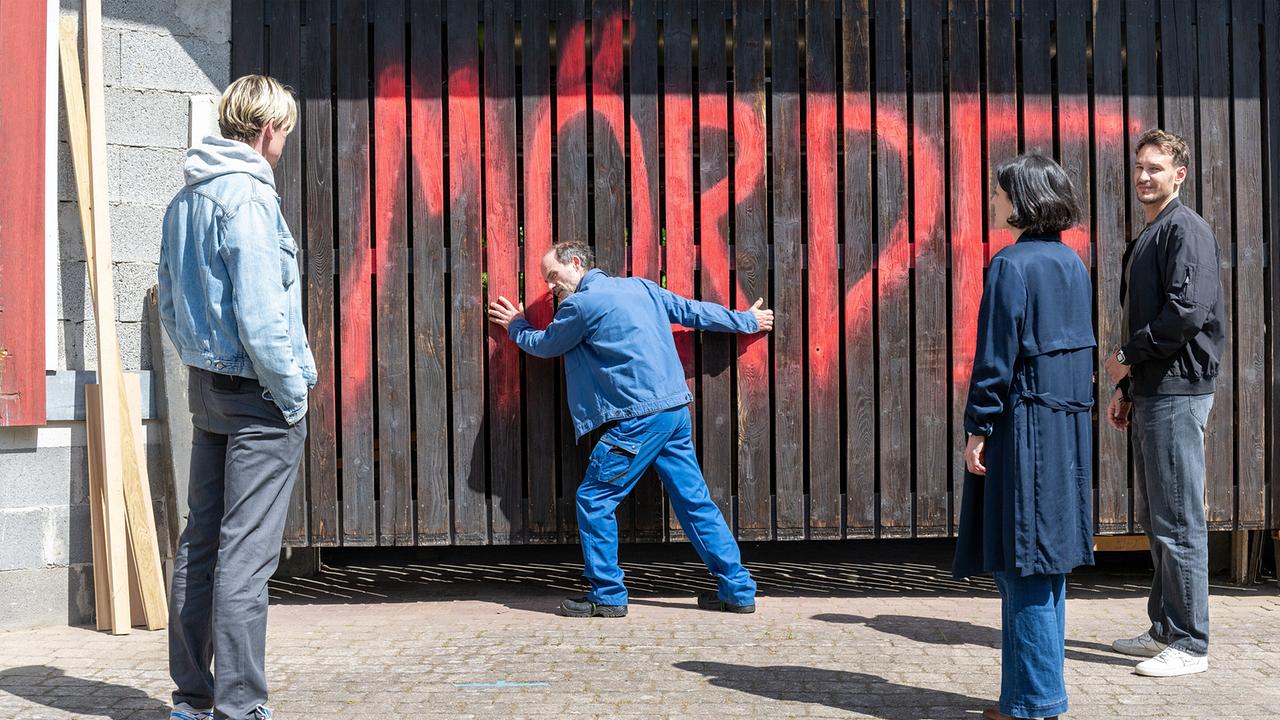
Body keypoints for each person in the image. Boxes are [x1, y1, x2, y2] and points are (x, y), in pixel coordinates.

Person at [487, 241, 771, 617]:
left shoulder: (580, 305)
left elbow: (546, 344)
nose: (550, 286)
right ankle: (737, 590)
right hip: (673, 411)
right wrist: (746, 320)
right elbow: (693, 312)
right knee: (695, 503)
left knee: (594, 499)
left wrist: (516, 325)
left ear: (576, 263)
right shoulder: (642, 287)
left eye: (553, 276)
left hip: (639, 420)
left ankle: (607, 595)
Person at [158, 75, 316, 720]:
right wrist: (293, 393)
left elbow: (171, 308)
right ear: (268, 128)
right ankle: (240, 707)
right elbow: (260, 315)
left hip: (209, 389)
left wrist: (204, 365)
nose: (283, 145)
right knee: (245, 557)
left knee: (200, 545)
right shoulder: (249, 197)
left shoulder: (184, 198)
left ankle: (192, 701)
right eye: (284, 133)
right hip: (258, 393)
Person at [953, 154, 1096, 720]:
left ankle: (1033, 702)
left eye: (999, 192)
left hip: (1026, 429)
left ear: (1023, 200)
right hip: (1066, 428)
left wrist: (978, 427)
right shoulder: (1072, 263)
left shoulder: (1010, 266)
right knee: (1046, 563)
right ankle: (1029, 697)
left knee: (1025, 564)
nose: (994, 200)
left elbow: (996, 358)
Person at [1103, 128, 1223, 678]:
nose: (1143, 176)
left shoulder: (1185, 229)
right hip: (1155, 390)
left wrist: (1126, 356)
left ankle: (1191, 644)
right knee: (1159, 519)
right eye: (1139, 167)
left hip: (1179, 391)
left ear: (1179, 174)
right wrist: (1129, 389)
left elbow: (1186, 313)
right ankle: (1164, 630)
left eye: (1155, 167)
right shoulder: (1153, 232)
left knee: (1178, 520)